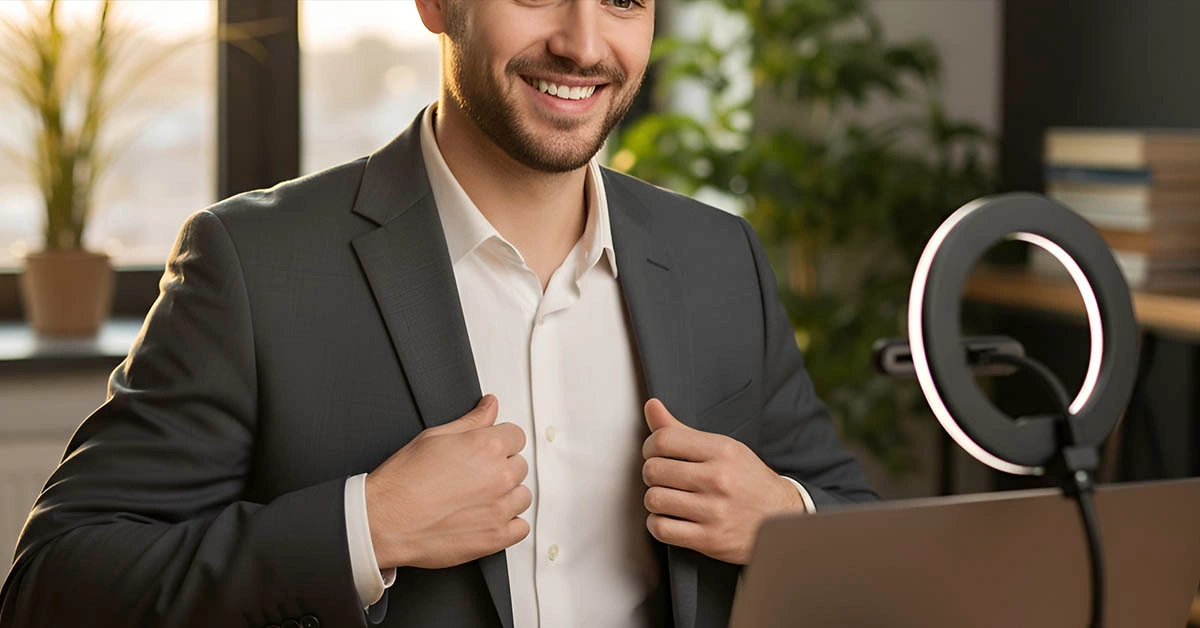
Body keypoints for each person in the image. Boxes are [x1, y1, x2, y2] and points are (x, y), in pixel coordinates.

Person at [0, 1, 876, 627]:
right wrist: (367, 527)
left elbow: (867, 529)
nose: (583, 43)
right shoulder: (253, 264)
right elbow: (57, 584)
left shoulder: (721, 257)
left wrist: (786, 520)